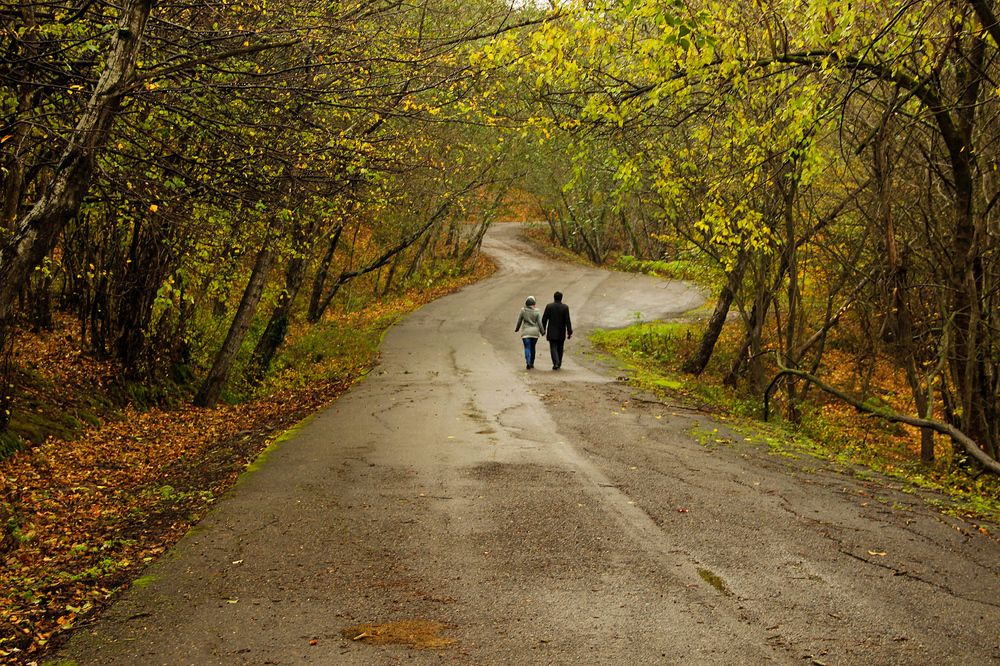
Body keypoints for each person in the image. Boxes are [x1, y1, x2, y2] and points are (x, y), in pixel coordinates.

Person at [541, 291, 572, 370]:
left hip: (552, 331)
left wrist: (543, 329)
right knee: (560, 347)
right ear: (561, 298)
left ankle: (556, 363)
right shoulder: (565, 307)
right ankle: (559, 363)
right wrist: (569, 332)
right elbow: (567, 320)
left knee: (553, 347)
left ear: (554, 297)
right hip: (561, 331)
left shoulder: (549, 306)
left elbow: (544, 319)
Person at [514, 295, 545, 370]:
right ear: (534, 304)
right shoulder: (537, 312)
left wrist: (517, 329)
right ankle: (532, 363)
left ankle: (528, 361)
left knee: (527, 347)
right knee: (533, 348)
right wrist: (542, 331)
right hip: (534, 333)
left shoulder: (523, 310)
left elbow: (519, 321)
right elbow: (540, 323)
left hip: (526, 333)